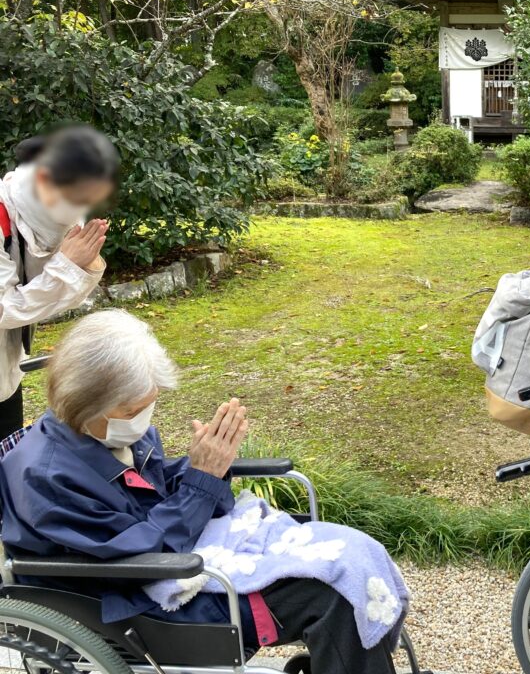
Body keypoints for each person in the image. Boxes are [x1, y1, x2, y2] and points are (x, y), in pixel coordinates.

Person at [0, 310, 405, 674]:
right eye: (131, 411)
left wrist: (205, 463)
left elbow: (150, 491)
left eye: (149, 404)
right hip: (134, 600)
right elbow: (138, 552)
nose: (142, 419)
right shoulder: (48, 477)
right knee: (328, 592)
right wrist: (202, 479)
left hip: (167, 558)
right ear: (87, 403)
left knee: (352, 552)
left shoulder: (105, 431)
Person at [0, 125, 119, 436]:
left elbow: (51, 296)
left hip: (6, 372)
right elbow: (4, 309)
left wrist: (83, 268)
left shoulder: (63, 211)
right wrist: (67, 266)